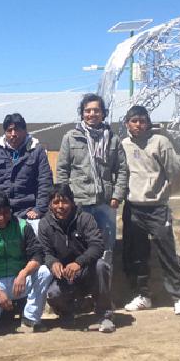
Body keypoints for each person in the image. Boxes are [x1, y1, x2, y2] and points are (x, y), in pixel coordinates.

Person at [113, 105, 180, 315]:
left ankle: (179, 297)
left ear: (148, 122)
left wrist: (163, 195)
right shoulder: (124, 145)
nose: (138, 125)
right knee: (136, 254)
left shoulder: (160, 142)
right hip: (133, 208)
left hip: (157, 208)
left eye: (142, 120)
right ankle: (142, 295)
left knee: (167, 252)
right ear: (126, 123)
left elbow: (174, 172)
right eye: (134, 121)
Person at [0, 190, 52, 332]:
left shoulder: (23, 226)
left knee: (44, 271)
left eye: (6, 212)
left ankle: (30, 318)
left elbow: (37, 255)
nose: (2, 218)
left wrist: (23, 273)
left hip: (18, 280)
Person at [56, 94, 124, 263]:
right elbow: (62, 170)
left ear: (103, 113)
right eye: (88, 110)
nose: (92, 114)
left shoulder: (113, 139)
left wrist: (117, 195)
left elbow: (122, 169)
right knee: (79, 246)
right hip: (79, 203)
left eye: (96, 110)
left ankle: (104, 288)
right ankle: (84, 287)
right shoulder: (71, 137)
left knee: (106, 248)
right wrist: (65, 200)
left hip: (105, 203)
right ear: (82, 113)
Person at [39, 184, 115, 332]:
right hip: (64, 276)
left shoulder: (85, 219)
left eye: (65, 201)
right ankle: (67, 313)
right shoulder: (45, 224)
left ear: (72, 202)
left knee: (102, 266)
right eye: (56, 202)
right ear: (50, 204)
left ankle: (105, 315)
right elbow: (44, 252)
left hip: (86, 270)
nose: (60, 206)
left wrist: (79, 263)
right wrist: (52, 262)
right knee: (53, 293)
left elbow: (97, 246)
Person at [0, 113, 52, 233]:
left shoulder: (36, 150)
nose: (13, 134)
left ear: (24, 131)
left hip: (28, 211)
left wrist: (39, 209)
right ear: (5, 132)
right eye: (9, 130)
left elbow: (45, 182)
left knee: (37, 242)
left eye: (17, 129)